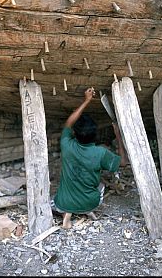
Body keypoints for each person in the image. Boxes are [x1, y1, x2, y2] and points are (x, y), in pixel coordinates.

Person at [53, 87, 128, 228]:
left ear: (75, 133)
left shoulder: (66, 145)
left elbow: (69, 122)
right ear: (95, 136)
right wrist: (118, 136)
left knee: (56, 198)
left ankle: (66, 214)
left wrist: (86, 100)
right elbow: (123, 162)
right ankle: (87, 210)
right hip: (90, 201)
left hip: (64, 202)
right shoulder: (100, 153)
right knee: (101, 185)